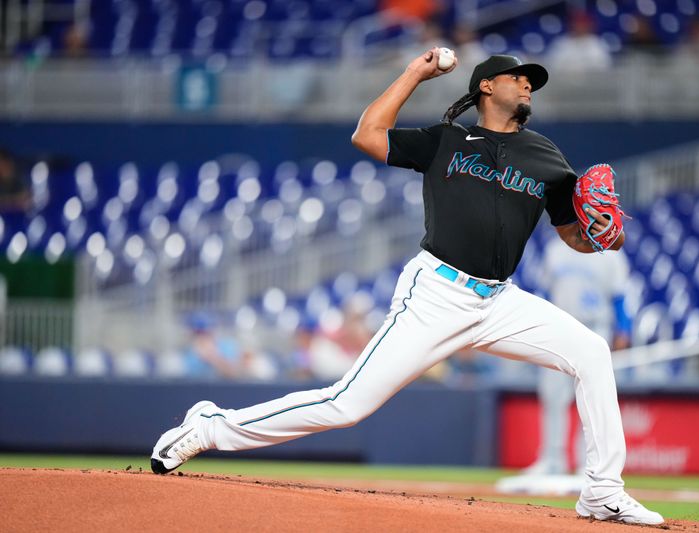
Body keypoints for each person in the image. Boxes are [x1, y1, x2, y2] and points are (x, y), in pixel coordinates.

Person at [150, 49, 663, 526]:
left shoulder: (545, 154)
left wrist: (600, 237)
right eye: (518, 77)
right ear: (486, 86)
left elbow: (573, 234)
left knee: (592, 353)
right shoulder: (446, 140)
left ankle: (601, 490)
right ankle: (211, 426)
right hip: (436, 294)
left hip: (499, 300)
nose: (528, 85)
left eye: (533, 81)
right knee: (345, 405)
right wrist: (417, 73)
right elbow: (367, 134)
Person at [497, 232, 632, 494]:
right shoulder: (555, 249)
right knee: (552, 395)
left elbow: (619, 296)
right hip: (558, 327)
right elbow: (545, 293)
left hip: (595, 327)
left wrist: (623, 329)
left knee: (591, 398)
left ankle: (589, 465)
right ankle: (552, 459)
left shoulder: (609, 251)